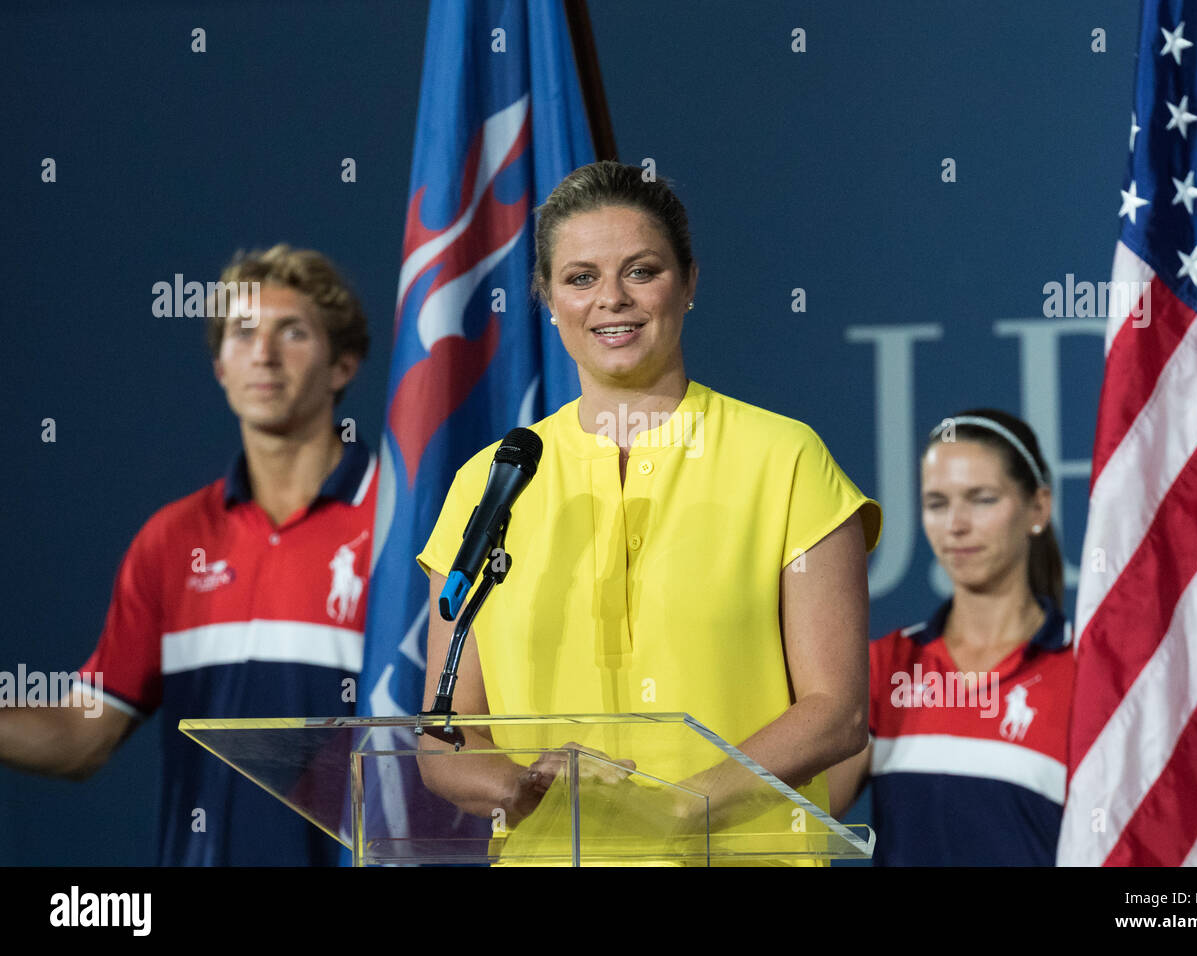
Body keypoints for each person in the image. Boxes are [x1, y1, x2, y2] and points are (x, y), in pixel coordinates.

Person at [414, 161, 882, 861]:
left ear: (689, 282)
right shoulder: (493, 480)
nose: (612, 299)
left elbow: (836, 715)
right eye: (580, 277)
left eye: (641, 271)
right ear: (545, 296)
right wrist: (521, 786)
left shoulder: (784, 459)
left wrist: (669, 810)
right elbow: (444, 733)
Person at [0, 245, 376, 865]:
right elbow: (80, 737)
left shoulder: (406, 526)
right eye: (242, 333)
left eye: (293, 331)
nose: (264, 353)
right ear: (221, 367)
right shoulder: (172, 540)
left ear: (342, 365)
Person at [829, 410, 1075, 866]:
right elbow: (801, 816)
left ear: (1038, 508)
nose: (955, 525)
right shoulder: (886, 666)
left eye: (981, 499)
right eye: (937, 503)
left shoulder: (1089, 676)